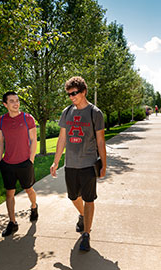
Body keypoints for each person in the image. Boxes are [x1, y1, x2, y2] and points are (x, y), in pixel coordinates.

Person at [50, 76, 106, 252]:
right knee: (73, 197)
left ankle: (86, 234)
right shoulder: (67, 112)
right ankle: (82, 215)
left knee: (89, 199)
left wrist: (104, 164)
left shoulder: (94, 113)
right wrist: (55, 161)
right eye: (69, 94)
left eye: (75, 93)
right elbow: (62, 139)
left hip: (88, 164)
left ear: (84, 92)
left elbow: (101, 141)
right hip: (71, 164)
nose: (72, 96)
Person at [0, 91, 38, 237]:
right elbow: (0, 140)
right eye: (12, 101)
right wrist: (0, 159)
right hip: (8, 163)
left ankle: (34, 206)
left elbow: (34, 140)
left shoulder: (28, 119)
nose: (16, 103)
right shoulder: (1, 120)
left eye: (17, 100)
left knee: (29, 189)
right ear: (5, 104)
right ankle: (12, 222)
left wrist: (31, 160)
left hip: (24, 163)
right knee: (9, 193)